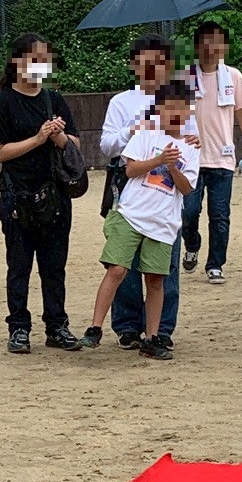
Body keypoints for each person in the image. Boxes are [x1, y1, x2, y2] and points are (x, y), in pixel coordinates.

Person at [82, 79, 197, 359]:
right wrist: (160, 160)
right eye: (169, 107)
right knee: (117, 270)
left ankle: (154, 336)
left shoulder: (192, 147)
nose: (175, 114)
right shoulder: (145, 135)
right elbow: (131, 170)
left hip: (163, 222)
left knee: (155, 279)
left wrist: (173, 165)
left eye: (182, 109)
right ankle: (95, 327)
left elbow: (187, 188)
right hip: (131, 214)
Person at [0, 33, 81, 354]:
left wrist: (58, 137)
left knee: (54, 266)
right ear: (17, 62)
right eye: (33, 58)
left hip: (55, 195)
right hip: (17, 196)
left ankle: (57, 325)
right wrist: (37, 139)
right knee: (20, 265)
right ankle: (19, 327)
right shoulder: (1, 103)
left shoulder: (54, 99)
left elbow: (76, 147)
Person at [96, 35, 185, 351]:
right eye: (146, 62)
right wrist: (133, 130)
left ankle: (161, 328)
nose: (153, 68)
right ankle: (127, 326)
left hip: (167, 185)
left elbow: (190, 137)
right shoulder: (122, 102)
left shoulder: (178, 98)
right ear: (135, 65)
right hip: (129, 181)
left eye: (160, 61)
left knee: (164, 260)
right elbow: (106, 146)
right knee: (125, 259)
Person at [180, 19, 242, 283]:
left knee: (220, 215)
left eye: (216, 42)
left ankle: (215, 264)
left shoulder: (233, 76)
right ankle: (191, 245)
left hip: (223, 158)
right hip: (190, 159)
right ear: (197, 46)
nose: (211, 48)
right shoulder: (183, 76)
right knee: (188, 212)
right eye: (205, 42)